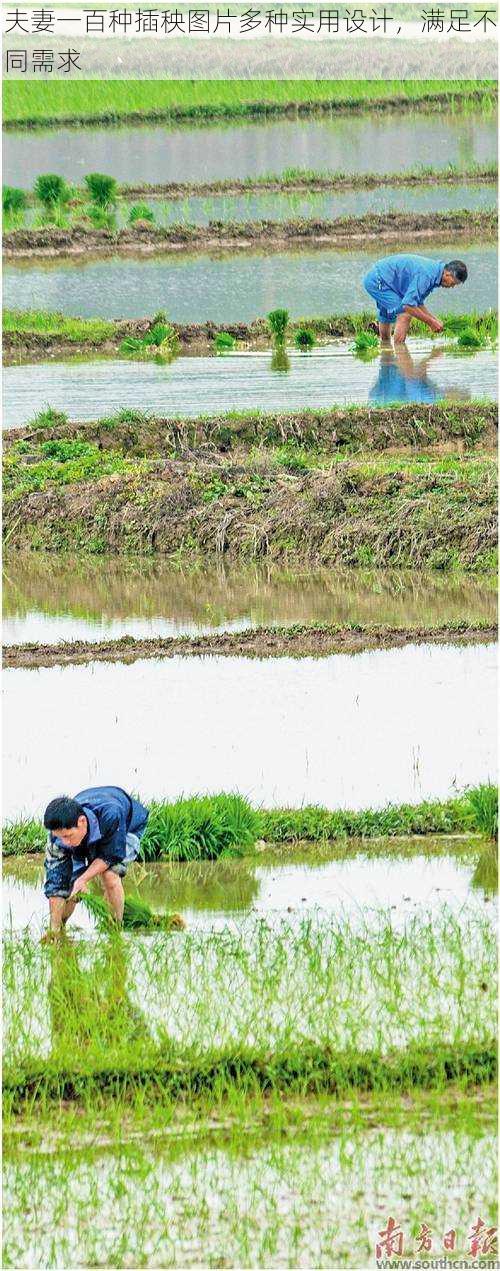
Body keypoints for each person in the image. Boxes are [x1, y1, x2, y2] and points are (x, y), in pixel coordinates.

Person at [43, 785, 149, 933]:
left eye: (67, 836)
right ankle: (59, 929)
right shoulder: (58, 837)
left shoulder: (112, 814)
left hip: (126, 827)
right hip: (90, 830)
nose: (64, 842)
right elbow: (56, 885)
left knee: (110, 874)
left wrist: (83, 879)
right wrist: (53, 932)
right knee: (68, 882)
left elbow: (110, 856)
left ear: (81, 822)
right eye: (60, 837)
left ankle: (114, 929)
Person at [363, 254, 467, 345]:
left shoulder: (435, 273)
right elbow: (408, 306)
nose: (452, 287)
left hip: (385, 280)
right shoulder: (428, 275)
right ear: (447, 274)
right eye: (453, 283)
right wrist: (430, 322)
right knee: (405, 313)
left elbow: (417, 303)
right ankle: (400, 353)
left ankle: (385, 349)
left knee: (387, 315)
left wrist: (434, 320)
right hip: (378, 281)